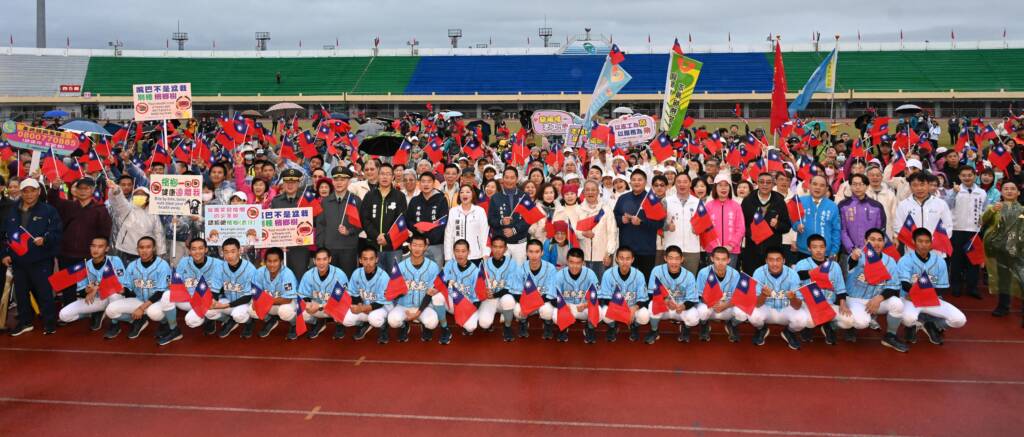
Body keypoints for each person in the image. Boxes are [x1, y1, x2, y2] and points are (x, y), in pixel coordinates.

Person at [3, 178, 62, 336]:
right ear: (21, 192)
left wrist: (45, 239)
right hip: (18, 260)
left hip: (40, 259)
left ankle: (49, 323)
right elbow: (4, 235)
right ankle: (25, 322)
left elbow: (57, 232)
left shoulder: (49, 210)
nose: (29, 194)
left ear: (39, 191)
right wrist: (5, 254)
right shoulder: (12, 210)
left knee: (44, 292)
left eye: (32, 190)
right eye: (25, 191)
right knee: (21, 294)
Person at [46, 177, 112, 306]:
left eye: (86, 188)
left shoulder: (100, 209)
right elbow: (53, 201)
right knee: (68, 288)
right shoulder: (68, 205)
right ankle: (68, 311)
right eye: (80, 188)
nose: (83, 191)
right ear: (75, 190)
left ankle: (90, 311)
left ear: (92, 190)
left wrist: (100, 252)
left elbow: (104, 232)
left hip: (89, 256)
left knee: (88, 286)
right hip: (66, 254)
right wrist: (54, 188)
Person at [898, 228, 967, 346]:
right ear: (914, 242)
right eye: (920, 241)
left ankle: (933, 325)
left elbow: (943, 288)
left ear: (931, 243)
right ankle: (912, 325)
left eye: (927, 241)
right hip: (910, 299)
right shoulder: (905, 260)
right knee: (908, 318)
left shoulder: (940, 261)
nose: (923, 245)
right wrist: (918, 295)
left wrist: (925, 295)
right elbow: (905, 285)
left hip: (931, 299)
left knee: (959, 320)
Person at [102, 237, 176, 344]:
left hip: (157, 302)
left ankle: (165, 322)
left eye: (148, 247)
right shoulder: (132, 265)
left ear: (154, 248)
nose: (144, 250)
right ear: (137, 249)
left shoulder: (162, 265)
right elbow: (129, 289)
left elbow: (160, 292)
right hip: (139, 299)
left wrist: (141, 308)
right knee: (110, 310)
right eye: (141, 247)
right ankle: (138, 320)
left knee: (153, 313)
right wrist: (122, 290)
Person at [845, 228, 908, 351]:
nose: (876, 243)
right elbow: (851, 263)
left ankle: (890, 336)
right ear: (865, 241)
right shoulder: (858, 255)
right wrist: (853, 257)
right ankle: (850, 327)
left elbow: (894, 287)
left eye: (880, 240)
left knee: (898, 303)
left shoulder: (890, 261)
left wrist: (879, 298)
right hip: (855, 299)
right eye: (872, 239)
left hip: (876, 300)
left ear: (884, 242)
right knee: (862, 323)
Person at [743, 247, 807, 350]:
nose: (775, 263)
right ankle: (761, 329)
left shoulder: (793, 274)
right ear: (766, 261)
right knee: (753, 316)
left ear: (784, 261)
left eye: (778, 260)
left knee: (802, 320)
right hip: (766, 307)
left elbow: (797, 306)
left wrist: (793, 298)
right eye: (771, 260)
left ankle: (789, 332)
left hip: (786, 308)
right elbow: (756, 304)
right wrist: (763, 295)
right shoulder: (759, 272)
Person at [56, 236, 126, 331]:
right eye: (93, 246)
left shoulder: (115, 260)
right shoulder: (84, 266)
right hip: (97, 300)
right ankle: (95, 312)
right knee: (64, 315)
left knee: (115, 295)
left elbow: (120, 284)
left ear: (107, 249)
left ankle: (115, 324)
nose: (95, 249)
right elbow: (80, 291)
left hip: (113, 297)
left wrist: (97, 287)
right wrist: (87, 290)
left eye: (100, 246)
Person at [793, 234, 851, 345]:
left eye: (821, 247)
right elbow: (798, 276)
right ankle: (809, 327)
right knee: (809, 321)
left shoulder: (834, 266)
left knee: (848, 320)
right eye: (814, 247)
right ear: (809, 249)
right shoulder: (802, 263)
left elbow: (840, 289)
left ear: (825, 248)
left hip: (828, 303)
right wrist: (816, 272)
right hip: (808, 304)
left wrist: (843, 304)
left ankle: (829, 325)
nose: (819, 250)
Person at [983, 181, 1024, 324]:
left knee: (1022, 279)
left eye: (1013, 189)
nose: (1009, 191)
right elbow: (982, 221)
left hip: (1020, 251)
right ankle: (1003, 306)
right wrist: (992, 211)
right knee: (1003, 279)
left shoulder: (1022, 210)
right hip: (1000, 250)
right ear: (1001, 192)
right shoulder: (994, 207)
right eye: (1006, 189)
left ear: (1018, 192)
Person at [390, 235, 443, 343]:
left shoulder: (433, 266)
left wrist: (417, 313)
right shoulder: (401, 266)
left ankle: (425, 326)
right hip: (404, 306)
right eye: (414, 245)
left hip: (424, 306)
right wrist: (398, 292)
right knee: (392, 320)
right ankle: (404, 325)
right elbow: (394, 292)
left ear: (425, 247)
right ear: (409, 246)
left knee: (432, 323)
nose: (417, 248)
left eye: (420, 245)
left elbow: (431, 293)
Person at [540, 248, 599, 343]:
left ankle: (589, 329)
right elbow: (551, 297)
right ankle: (563, 328)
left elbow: (598, 296)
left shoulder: (590, 274)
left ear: (583, 263)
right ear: (567, 262)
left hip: (584, 307)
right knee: (547, 309)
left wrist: (586, 305)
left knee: (599, 310)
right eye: (571, 262)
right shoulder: (559, 275)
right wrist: (563, 305)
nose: (574, 266)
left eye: (578, 263)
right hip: (566, 307)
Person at [944, 165, 987, 298]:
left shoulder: (981, 192)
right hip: (957, 230)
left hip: (974, 231)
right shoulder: (953, 191)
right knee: (956, 261)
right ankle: (956, 286)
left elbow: (984, 210)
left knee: (973, 261)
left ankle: (972, 288)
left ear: (975, 176)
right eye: (963, 175)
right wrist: (954, 193)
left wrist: (984, 219)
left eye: (970, 175)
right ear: (959, 177)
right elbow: (947, 206)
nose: (967, 178)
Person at [613, 169, 665, 275]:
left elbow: (659, 224)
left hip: (646, 250)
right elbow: (614, 219)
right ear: (630, 182)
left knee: (645, 281)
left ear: (645, 182)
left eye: (640, 180)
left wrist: (641, 222)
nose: (636, 182)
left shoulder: (652, 200)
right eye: (634, 180)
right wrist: (621, 220)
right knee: (626, 280)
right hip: (626, 251)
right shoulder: (623, 198)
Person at [740, 172, 791, 274]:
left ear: (773, 184)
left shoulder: (779, 201)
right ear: (757, 183)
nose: (765, 185)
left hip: (772, 251)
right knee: (752, 277)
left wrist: (777, 224)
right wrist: (751, 233)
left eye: (768, 182)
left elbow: (787, 226)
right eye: (762, 182)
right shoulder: (747, 201)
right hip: (752, 249)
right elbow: (741, 224)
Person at [360, 163, 407, 272]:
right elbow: (364, 219)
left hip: (394, 247)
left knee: (394, 279)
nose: (385, 177)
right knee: (376, 278)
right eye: (382, 174)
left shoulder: (399, 196)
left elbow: (401, 220)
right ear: (378, 175)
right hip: (373, 247)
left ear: (393, 177)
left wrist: (387, 238)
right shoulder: (369, 196)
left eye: (388, 174)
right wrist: (376, 235)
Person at [837, 174, 886, 277]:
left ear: (867, 186)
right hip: (848, 253)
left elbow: (880, 230)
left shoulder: (876, 206)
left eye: (861, 184)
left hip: (871, 252)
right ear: (850, 186)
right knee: (848, 281)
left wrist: (870, 248)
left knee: (869, 281)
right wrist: (852, 249)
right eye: (854, 184)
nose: (857, 187)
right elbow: (841, 230)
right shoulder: (843, 205)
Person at [315, 167, 362, 276]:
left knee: (347, 279)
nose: (339, 183)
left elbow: (361, 224)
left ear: (348, 181)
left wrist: (349, 231)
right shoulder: (325, 202)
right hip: (329, 249)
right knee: (330, 280)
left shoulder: (355, 200)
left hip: (348, 249)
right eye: (336, 179)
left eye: (343, 180)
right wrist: (321, 247)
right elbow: (320, 225)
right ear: (332, 181)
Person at [598, 246, 650, 343]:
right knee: (604, 312)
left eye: (628, 258)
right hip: (616, 307)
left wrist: (634, 308)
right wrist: (621, 309)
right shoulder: (608, 274)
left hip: (632, 308)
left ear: (632, 260)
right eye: (621, 258)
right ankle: (613, 326)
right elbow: (604, 298)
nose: (624, 262)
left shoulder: (639, 275)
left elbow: (643, 299)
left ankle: (634, 326)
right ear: (617, 259)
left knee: (644, 315)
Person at [646, 245, 698, 343]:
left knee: (694, 316)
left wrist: (684, 306)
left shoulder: (689, 275)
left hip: (680, 308)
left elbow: (692, 299)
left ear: (682, 259)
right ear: (665, 258)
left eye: (677, 258)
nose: (674, 262)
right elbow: (650, 293)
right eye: (670, 258)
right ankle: (654, 330)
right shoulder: (657, 270)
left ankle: (685, 328)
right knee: (652, 305)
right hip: (663, 307)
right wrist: (665, 300)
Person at [342, 246, 394, 343]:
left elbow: (381, 302)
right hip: (364, 305)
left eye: (371, 259)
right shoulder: (357, 273)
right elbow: (354, 294)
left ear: (376, 259)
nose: (368, 262)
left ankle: (384, 326)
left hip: (383, 307)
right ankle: (364, 324)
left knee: (374, 318)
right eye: (365, 259)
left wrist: (362, 309)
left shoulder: (383, 276)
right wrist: (359, 305)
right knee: (345, 319)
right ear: (360, 260)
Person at [892, 172, 952, 254]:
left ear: (928, 185)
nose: (919, 188)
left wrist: (932, 244)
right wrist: (914, 243)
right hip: (912, 250)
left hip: (936, 251)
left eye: (922, 184)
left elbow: (948, 226)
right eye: (915, 185)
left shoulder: (940, 204)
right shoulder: (903, 205)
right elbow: (898, 226)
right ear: (910, 187)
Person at [296, 249, 349, 340]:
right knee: (300, 308)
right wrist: (307, 303)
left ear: (329, 259)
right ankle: (316, 322)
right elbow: (302, 295)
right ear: (314, 261)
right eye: (318, 259)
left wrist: (320, 306)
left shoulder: (339, 274)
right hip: (316, 306)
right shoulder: (308, 275)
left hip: (333, 307)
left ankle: (340, 324)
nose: (321, 263)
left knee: (346, 311)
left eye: (324, 259)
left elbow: (341, 298)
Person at [211, 238, 258, 338]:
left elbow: (248, 296)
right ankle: (228, 320)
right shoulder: (220, 267)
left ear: (239, 251)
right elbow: (214, 289)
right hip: (229, 299)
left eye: (233, 251)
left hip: (246, 302)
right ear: (222, 252)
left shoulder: (250, 269)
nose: (229, 255)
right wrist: (213, 301)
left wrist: (225, 306)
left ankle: (249, 322)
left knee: (238, 315)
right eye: (226, 252)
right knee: (208, 310)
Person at [568, 180, 616, 278]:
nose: (590, 192)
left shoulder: (606, 209)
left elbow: (612, 232)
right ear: (583, 192)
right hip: (582, 257)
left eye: (593, 190)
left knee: (602, 284)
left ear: (598, 192)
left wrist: (609, 253)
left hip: (602, 256)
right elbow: (572, 231)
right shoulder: (577, 209)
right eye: (587, 190)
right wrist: (583, 234)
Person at [481, 236, 525, 341]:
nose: (497, 250)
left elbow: (510, 288)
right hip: (489, 299)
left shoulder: (512, 263)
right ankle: (489, 323)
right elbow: (479, 284)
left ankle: (507, 326)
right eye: (495, 246)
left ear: (505, 249)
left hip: (503, 298)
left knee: (508, 299)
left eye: (500, 247)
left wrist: (495, 294)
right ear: (491, 248)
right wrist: (484, 291)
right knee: (484, 323)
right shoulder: (484, 263)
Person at [270, 168, 313, 276]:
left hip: (300, 248)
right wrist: (277, 243)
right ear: (283, 183)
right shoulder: (276, 201)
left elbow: (315, 221)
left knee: (300, 277)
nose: (290, 185)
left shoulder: (307, 199)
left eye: (293, 182)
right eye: (287, 182)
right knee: (281, 278)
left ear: (298, 183)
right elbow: (272, 225)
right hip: (281, 247)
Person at [179, 238, 226, 335]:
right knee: (168, 295)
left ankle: (225, 319)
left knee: (197, 316)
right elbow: (177, 283)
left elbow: (226, 284)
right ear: (189, 251)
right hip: (191, 299)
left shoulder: (218, 264)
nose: (197, 252)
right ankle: (172, 328)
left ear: (206, 249)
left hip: (213, 299)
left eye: (200, 248)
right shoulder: (184, 262)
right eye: (194, 249)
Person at [107, 184, 166, 263]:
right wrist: (116, 190)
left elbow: (158, 233)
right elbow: (119, 202)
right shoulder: (127, 209)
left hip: (147, 251)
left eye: (142, 195)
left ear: (148, 198)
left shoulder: (153, 214)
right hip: (127, 250)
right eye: (137, 194)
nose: (139, 196)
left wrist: (160, 252)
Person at [694, 246, 742, 341]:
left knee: (743, 312)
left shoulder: (735, 274)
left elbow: (738, 297)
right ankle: (704, 325)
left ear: (728, 260)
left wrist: (726, 305)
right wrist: (713, 303)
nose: (720, 262)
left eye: (723, 259)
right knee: (702, 311)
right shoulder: (703, 272)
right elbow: (700, 295)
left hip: (727, 306)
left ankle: (732, 324)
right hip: (710, 306)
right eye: (717, 259)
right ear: (712, 259)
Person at [250, 247, 299, 339]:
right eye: (269, 261)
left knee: (285, 311)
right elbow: (255, 292)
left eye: (275, 261)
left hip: (288, 303)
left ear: (281, 261)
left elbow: (287, 299)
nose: (272, 264)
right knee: (252, 309)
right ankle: (270, 320)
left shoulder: (287, 274)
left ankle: (295, 323)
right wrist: (257, 301)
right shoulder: (260, 272)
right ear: (265, 261)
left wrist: (264, 301)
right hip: (272, 303)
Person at [405, 171, 448, 267]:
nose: (426, 184)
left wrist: (430, 239)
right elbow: (408, 220)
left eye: (429, 181)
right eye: (423, 181)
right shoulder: (414, 200)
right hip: (417, 245)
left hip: (436, 244)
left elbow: (443, 222)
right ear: (419, 184)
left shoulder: (441, 199)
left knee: (436, 271)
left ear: (434, 183)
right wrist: (416, 228)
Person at [488, 167, 530, 263]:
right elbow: (491, 220)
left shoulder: (524, 196)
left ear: (517, 179)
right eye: (506, 177)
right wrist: (501, 222)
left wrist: (514, 230)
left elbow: (529, 219)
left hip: (520, 242)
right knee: (501, 270)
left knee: (519, 270)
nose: (509, 180)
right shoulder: (495, 197)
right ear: (502, 179)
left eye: (512, 178)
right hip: (501, 243)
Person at [663, 173, 702, 274]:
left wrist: (698, 229)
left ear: (690, 184)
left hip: (692, 249)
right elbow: (658, 222)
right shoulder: (666, 201)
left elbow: (705, 224)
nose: (682, 184)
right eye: (679, 182)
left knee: (690, 279)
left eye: (685, 182)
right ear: (675, 184)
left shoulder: (698, 202)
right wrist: (667, 226)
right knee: (671, 280)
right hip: (672, 248)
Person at [795, 175, 840, 259]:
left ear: (827, 189)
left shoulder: (832, 206)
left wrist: (834, 250)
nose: (818, 187)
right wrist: (797, 226)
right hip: (803, 250)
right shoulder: (800, 202)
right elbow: (793, 221)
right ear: (809, 185)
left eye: (822, 185)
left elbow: (836, 230)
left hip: (824, 252)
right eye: (815, 184)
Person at [521, 239, 559, 339]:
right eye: (531, 251)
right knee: (517, 309)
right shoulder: (522, 268)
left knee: (547, 310)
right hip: (529, 301)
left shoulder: (551, 268)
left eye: (537, 252)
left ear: (542, 253)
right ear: (526, 253)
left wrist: (535, 301)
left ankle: (547, 324)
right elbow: (518, 291)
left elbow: (551, 293)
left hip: (544, 301)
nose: (534, 255)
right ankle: (523, 323)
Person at [443, 184, 489, 264]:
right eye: (462, 192)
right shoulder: (453, 211)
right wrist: (448, 256)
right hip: (457, 255)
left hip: (475, 255)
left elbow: (484, 234)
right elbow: (448, 235)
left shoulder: (480, 211)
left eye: (468, 192)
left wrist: (485, 252)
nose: (464, 194)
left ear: (472, 194)